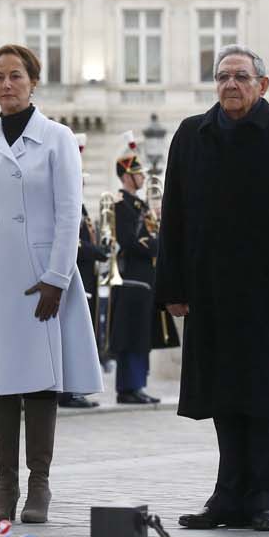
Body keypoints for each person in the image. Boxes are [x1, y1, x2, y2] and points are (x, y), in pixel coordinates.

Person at [155, 44, 269, 533]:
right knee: (223, 399)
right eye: (223, 77)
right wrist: (173, 286)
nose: (231, 85)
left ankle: (266, 496)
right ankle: (228, 496)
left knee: (266, 400)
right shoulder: (191, 134)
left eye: (241, 77)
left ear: (262, 85)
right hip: (210, 290)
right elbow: (175, 215)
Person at [0, 44, 103, 524]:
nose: (6, 85)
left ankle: (39, 482)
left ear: (34, 81)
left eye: (15, 76)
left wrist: (57, 276)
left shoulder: (57, 138)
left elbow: (66, 212)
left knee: (39, 382)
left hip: (39, 277)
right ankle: (5, 484)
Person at [107, 143, 178, 405]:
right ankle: (128, 387)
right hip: (132, 279)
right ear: (127, 175)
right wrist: (157, 242)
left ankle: (137, 385)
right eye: (140, 174)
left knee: (141, 336)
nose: (144, 178)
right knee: (131, 336)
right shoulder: (122, 204)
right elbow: (128, 240)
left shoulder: (139, 205)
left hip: (145, 280)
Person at [64, 132, 102, 410]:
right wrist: (96, 251)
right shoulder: (70, 202)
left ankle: (74, 388)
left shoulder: (81, 204)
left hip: (87, 276)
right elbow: (73, 242)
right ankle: (67, 390)